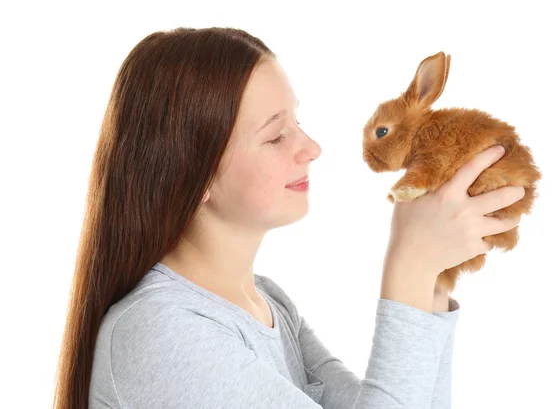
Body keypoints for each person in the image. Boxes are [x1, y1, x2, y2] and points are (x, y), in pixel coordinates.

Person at [51, 27, 525, 409]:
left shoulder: (271, 306)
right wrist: (409, 267)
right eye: (277, 136)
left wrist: (434, 284)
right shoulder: (159, 333)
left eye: (298, 122)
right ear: (195, 177)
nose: (312, 149)